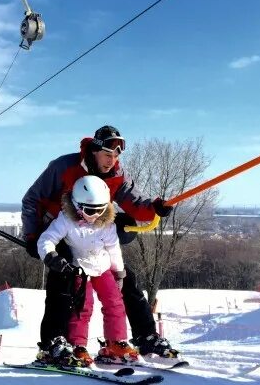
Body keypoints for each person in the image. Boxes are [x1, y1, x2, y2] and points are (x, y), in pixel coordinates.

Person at [21, 125, 179, 366]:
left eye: (116, 156)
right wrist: (33, 236)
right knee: (63, 284)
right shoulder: (63, 167)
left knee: (125, 281)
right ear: (94, 151)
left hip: (95, 236)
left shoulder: (117, 174)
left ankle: (145, 337)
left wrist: (155, 207)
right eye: (108, 154)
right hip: (60, 230)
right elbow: (32, 199)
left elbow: (136, 202)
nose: (112, 161)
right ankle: (55, 343)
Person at [37, 176, 135, 366]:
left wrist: (119, 273)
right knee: (83, 306)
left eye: (101, 210)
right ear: (77, 205)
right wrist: (50, 255)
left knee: (115, 302)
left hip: (103, 267)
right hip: (81, 269)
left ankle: (115, 342)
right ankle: (78, 346)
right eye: (91, 211)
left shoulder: (106, 224)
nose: (96, 215)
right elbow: (46, 239)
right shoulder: (66, 220)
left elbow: (114, 249)